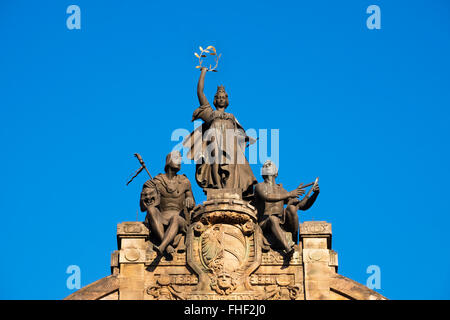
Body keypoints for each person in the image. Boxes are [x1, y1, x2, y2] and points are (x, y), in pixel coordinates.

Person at [183, 67, 257, 197]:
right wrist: (203, 72)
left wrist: (246, 138)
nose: (221, 99)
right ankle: (217, 186)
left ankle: (231, 187)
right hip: (214, 137)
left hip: (230, 139)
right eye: (219, 97)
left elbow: (239, 132)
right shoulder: (209, 113)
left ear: (226, 100)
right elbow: (200, 92)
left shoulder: (232, 116)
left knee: (233, 162)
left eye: (223, 97)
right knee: (214, 159)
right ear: (215, 100)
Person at [255, 160, 320, 255]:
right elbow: (267, 197)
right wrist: (289, 194)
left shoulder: (281, 190)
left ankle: (294, 239)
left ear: (276, 172)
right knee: (272, 219)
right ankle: (288, 248)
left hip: (281, 223)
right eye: (265, 166)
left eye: (270, 165)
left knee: (292, 208)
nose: (267, 166)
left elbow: (302, 206)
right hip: (264, 223)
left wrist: (314, 194)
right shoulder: (259, 187)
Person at [140, 151, 195, 257]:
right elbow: (143, 207)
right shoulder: (157, 182)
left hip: (180, 219)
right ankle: (166, 245)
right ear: (169, 161)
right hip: (161, 218)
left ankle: (162, 246)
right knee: (151, 209)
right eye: (176, 158)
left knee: (175, 218)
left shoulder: (184, 181)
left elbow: (192, 202)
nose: (179, 161)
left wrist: (189, 200)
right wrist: (146, 191)